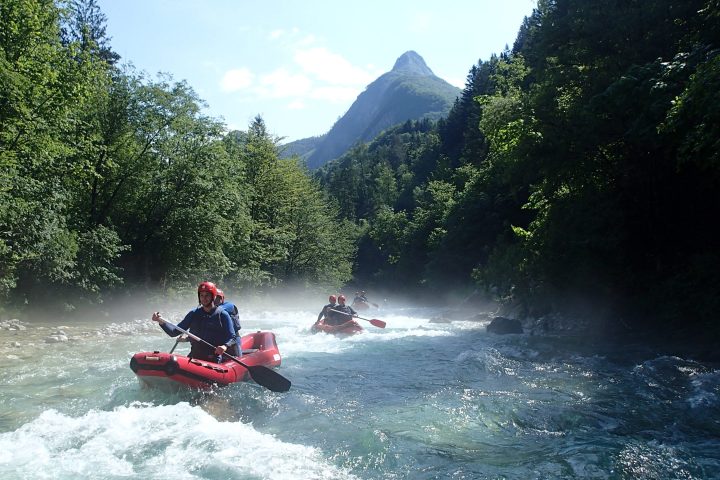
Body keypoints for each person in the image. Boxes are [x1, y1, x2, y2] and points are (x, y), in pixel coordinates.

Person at [151, 281, 236, 363]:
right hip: (195, 356)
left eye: (207, 295)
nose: (204, 298)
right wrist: (160, 321)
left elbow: (232, 337)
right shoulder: (193, 314)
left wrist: (225, 346)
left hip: (213, 359)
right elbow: (173, 332)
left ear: (213, 297)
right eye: (201, 295)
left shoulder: (222, 315)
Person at [214, 288, 242, 356]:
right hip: (219, 339)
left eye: (218, 298)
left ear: (222, 298)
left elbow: (217, 311)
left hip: (233, 339)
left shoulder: (229, 305)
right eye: (214, 298)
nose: (216, 300)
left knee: (237, 357)